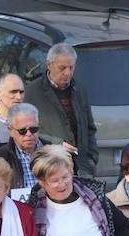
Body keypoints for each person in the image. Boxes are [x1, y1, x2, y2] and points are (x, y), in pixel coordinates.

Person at [25, 43, 98, 175]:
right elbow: (26, 133)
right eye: (62, 68)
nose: (67, 73)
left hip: (81, 168)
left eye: (71, 67)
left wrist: (91, 159)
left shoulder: (79, 89)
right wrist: (56, 143)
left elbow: (90, 128)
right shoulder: (31, 92)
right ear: (49, 65)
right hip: (51, 166)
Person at [0, 102, 48, 190]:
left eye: (33, 129)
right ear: (11, 130)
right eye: (22, 131)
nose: (29, 134)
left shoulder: (54, 153)